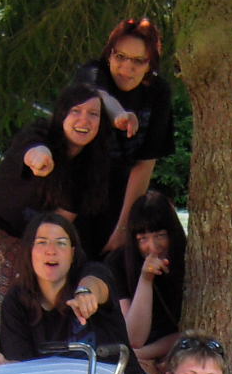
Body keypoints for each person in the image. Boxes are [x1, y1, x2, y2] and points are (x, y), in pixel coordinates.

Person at [0, 83, 115, 314]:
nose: (84, 120)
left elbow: (61, 221)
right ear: (62, 114)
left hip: (35, 239)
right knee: (10, 301)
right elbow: (33, 149)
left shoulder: (89, 168)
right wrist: (39, 157)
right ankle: (9, 337)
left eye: (93, 114)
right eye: (76, 111)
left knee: (45, 299)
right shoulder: (40, 133)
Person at [0, 211, 135, 374]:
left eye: (61, 243)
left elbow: (96, 283)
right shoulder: (16, 300)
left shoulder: (91, 272)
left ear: (72, 253)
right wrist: (2, 366)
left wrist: (85, 293)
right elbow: (19, 367)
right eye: (42, 242)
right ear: (30, 251)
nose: (51, 251)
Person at [74, 16, 176, 257]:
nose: (127, 68)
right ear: (109, 55)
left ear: (150, 64)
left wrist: (123, 228)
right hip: (77, 191)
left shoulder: (158, 92)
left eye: (138, 61)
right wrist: (119, 114)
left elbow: (145, 164)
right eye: (120, 56)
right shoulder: (93, 72)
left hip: (123, 198)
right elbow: (99, 95)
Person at [110, 190, 187, 374]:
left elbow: (191, 333)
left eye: (160, 235)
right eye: (142, 239)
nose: (152, 247)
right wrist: (146, 279)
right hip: (140, 356)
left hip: (178, 351)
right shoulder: (118, 263)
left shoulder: (188, 259)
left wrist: (141, 354)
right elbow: (134, 336)